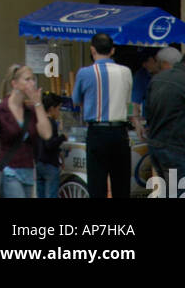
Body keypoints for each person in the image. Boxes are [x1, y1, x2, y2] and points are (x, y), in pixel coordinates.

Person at [0, 64, 53, 199]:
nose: (32, 83)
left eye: (33, 79)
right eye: (27, 79)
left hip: (28, 171)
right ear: (15, 84)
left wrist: (38, 103)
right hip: (9, 171)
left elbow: (46, 134)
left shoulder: (30, 111)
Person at [71, 32, 134, 199]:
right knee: (121, 184)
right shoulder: (126, 72)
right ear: (112, 50)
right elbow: (128, 104)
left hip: (97, 132)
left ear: (92, 50)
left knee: (96, 184)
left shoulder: (84, 73)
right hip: (120, 132)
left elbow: (75, 100)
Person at [144, 45, 185, 186]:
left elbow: (148, 113)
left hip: (156, 146)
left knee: (168, 191)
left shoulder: (157, 79)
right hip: (176, 148)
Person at [36, 92, 67, 198]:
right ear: (52, 108)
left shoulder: (39, 121)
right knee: (51, 194)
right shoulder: (51, 123)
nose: (59, 112)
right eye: (58, 109)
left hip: (39, 163)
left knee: (40, 194)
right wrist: (62, 138)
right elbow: (50, 144)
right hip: (49, 164)